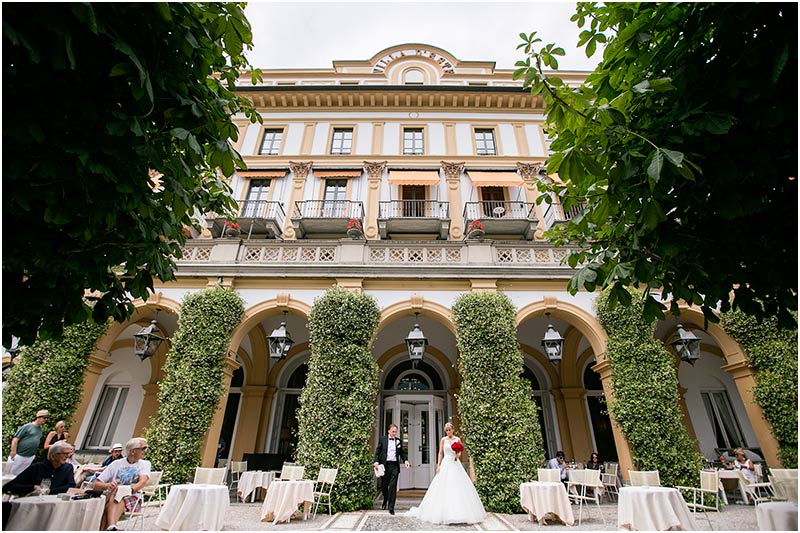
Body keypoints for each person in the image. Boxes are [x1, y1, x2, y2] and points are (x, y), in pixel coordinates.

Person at [406, 422, 486, 524]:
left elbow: (460, 451)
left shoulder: (457, 439)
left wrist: (458, 455)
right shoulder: (443, 440)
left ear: (453, 429)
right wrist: (438, 465)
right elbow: (440, 452)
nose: (448, 432)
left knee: (458, 487)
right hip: (446, 463)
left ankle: (460, 513)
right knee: (443, 485)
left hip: (455, 463)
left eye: (450, 430)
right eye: (447, 430)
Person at [93, 437, 151, 531]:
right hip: (113, 497)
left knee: (115, 496)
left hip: (132, 498)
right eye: (143, 448)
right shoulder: (116, 464)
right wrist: (108, 485)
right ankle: (112, 527)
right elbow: (96, 484)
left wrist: (128, 490)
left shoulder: (144, 464)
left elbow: (142, 481)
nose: (146, 450)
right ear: (133, 452)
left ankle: (110, 527)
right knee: (116, 493)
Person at [3, 440, 76, 496]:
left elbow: (71, 485)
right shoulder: (37, 468)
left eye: (68, 454)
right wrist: (32, 487)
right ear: (53, 456)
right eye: (65, 454)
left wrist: (51, 491)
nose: (67, 457)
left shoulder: (68, 468)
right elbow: (10, 486)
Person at [373, 423, 409, 515]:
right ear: (389, 431)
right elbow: (378, 451)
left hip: (394, 466)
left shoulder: (398, 441)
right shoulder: (383, 439)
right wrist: (376, 462)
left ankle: (391, 507)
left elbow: (402, 453)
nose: (394, 433)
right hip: (385, 465)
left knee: (393, 486)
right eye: (392, 431)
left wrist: (405, 461)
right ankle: (385, 499)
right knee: (384, 486)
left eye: (395, 432)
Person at [8, 409, 49, 475]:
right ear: (38, 417)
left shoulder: (40, 430)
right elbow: (15, 439)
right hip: (19, 455)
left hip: (29, 456)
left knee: (21, 474)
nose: (45, 420)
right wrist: (13, 452)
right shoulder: (27, 426)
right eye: (44, 418)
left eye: (46, 418)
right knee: (10, 473)